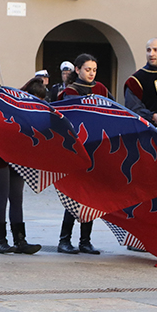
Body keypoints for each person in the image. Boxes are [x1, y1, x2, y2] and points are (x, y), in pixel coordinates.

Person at [0, 77, 44, 255]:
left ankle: (20, 240)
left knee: (17, 199)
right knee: (1, 197)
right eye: (36, 100)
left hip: (18, 156)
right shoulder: (10, 104)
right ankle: (0, 241)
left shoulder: (33, 112)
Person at [57, 54, 107, 255]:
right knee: (74, 195)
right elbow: (69, 119)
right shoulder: (69, 92)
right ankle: (64, 240)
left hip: (96, 147)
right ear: (77, 70)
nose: (91, 73)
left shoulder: (101, 89)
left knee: (90, 196)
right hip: (75, 149)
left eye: (94, 70)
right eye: (88, 69)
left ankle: (85, 240)